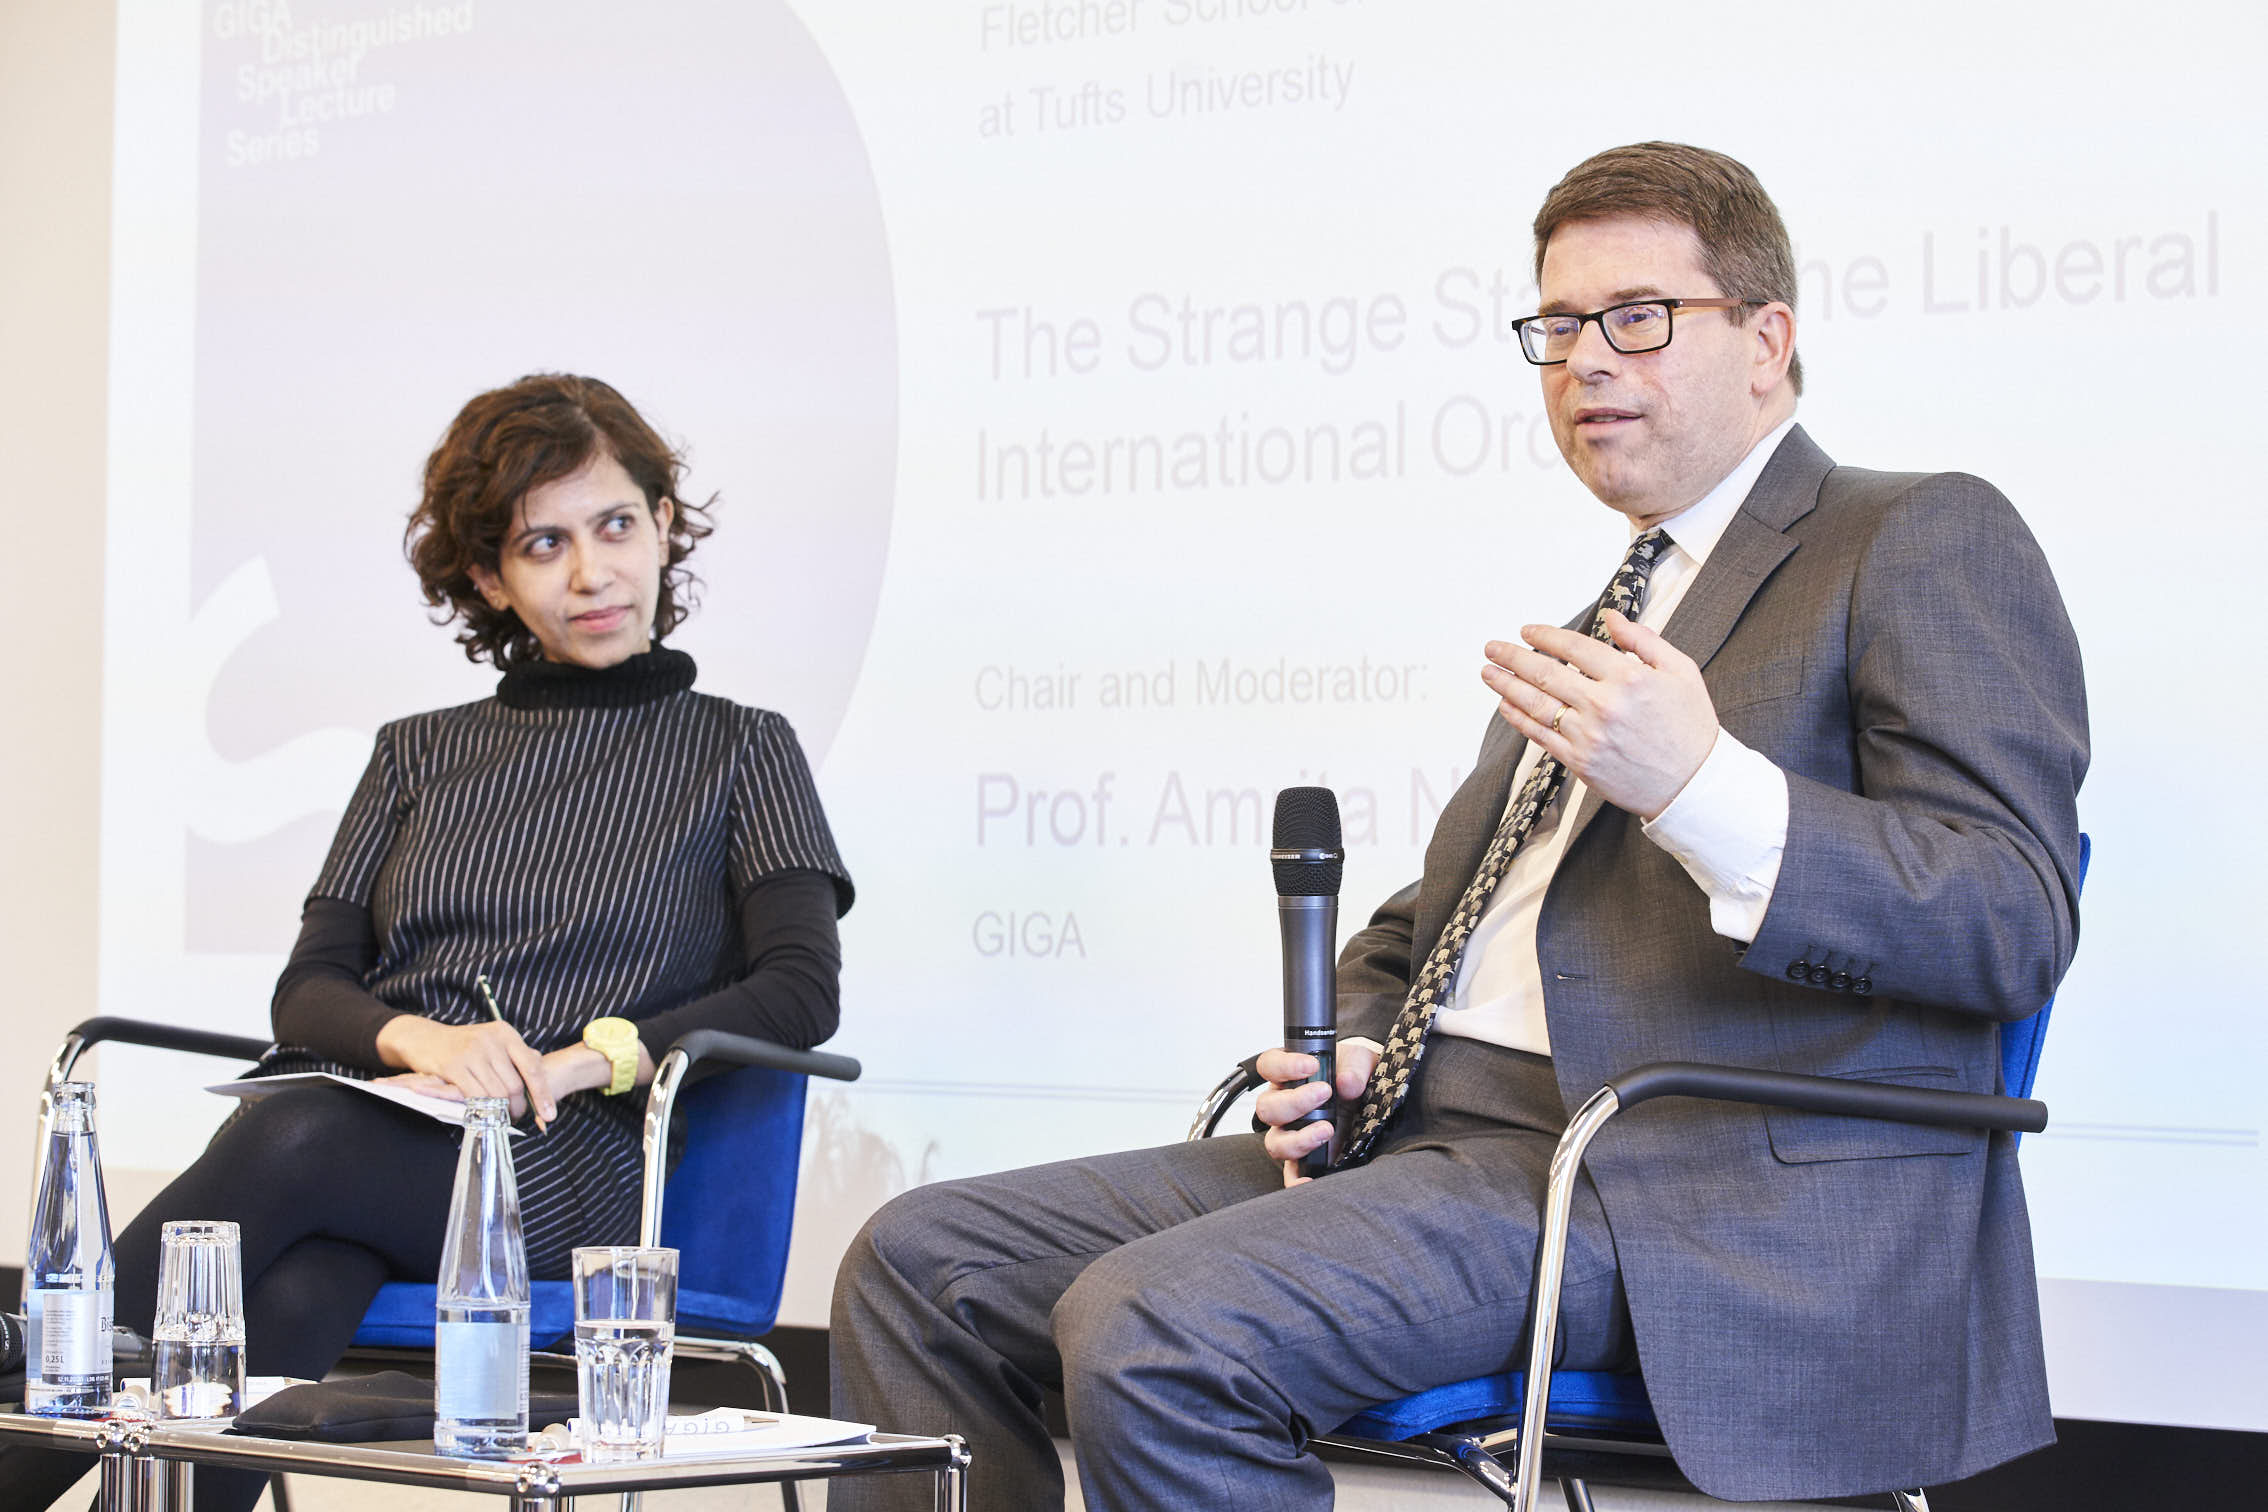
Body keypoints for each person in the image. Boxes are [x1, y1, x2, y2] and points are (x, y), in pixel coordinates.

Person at [829, 142, 2088, 1509]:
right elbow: (1431, 922)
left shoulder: (1912, 535)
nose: (1585, 360)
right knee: (917, 1265)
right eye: (1556, 326)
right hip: (1435, 1141)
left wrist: (1700, 785)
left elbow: (2010, 915)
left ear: (1769, 341)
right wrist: (1368, 1032)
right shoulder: (1616, 606)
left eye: (1637, 318)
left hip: (1668, 1177)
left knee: (1154, 1329)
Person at [6, 373, 853, 1512]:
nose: (591, 571)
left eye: (614, 524)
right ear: (490, 580)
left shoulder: (744, 751)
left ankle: (37, 1350)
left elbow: (799, 991)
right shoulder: (414, 754)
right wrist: (419, 1043)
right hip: (380, 1128)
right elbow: (307, 993)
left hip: (564, 1152)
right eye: (542, 545)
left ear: (663, 525)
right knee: (301, 1286)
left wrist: (577, 1059)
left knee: (296, 1136)